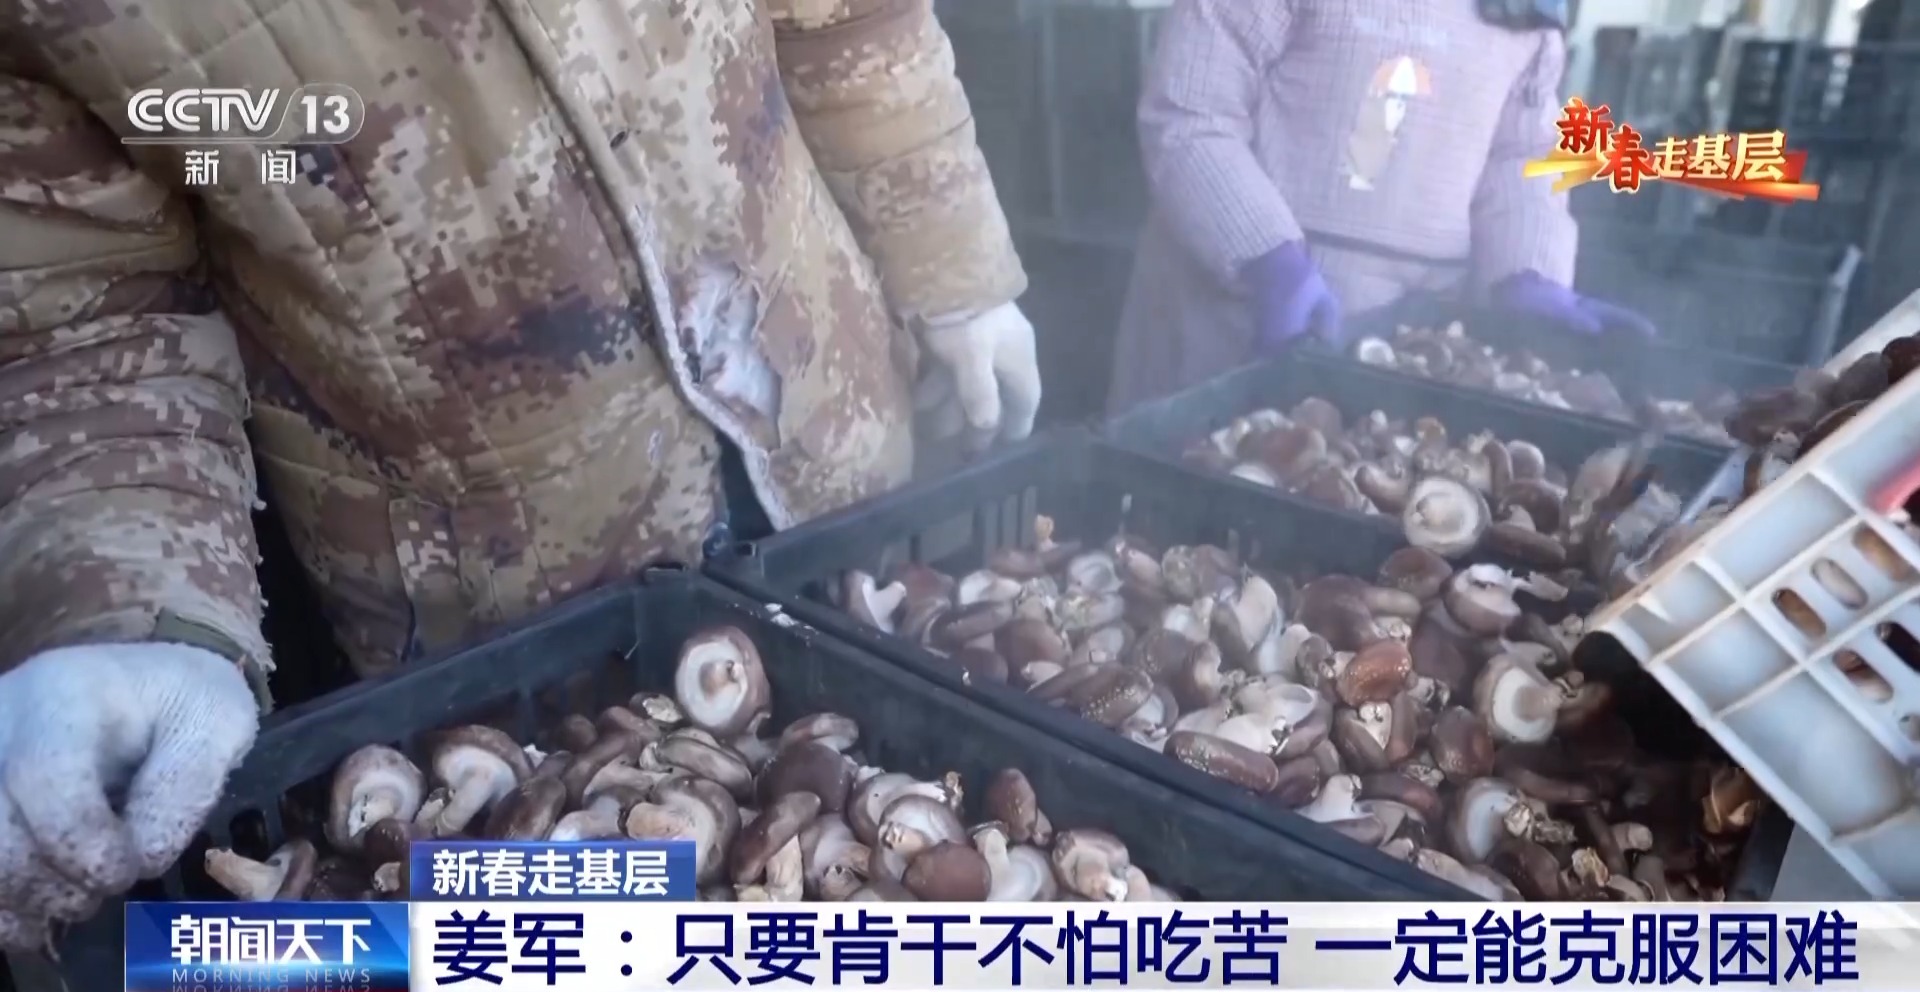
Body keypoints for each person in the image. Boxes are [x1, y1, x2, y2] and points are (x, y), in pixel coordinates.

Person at [0, 0, 1038, 948]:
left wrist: (948, 256)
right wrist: (126, 614)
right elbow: (86, 325)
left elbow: (847, 14)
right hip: (507, 618)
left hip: (829, 427)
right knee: (617, 934)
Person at [1107, 0, 1659, 414]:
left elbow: (1521, 152)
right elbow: (1192, 115)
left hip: (1407, 367)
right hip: (1229, 327)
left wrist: (1527, 274)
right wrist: (1269, 261)